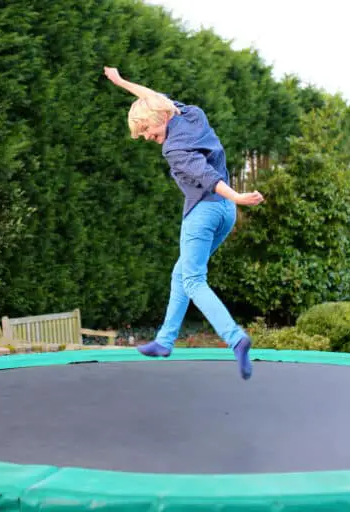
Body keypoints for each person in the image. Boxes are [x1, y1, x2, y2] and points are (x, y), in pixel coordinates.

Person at [104, 66, 263, 380]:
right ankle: (164, 341)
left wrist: (239, 196)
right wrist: (121, 82)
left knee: (192, 280)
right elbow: (153, 98)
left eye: (146, 130)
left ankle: (235, 338)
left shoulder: (173, 149)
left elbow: (206, 176)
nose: (148, 137)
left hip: (204, 211)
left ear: (160, 118)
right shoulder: (192, 115)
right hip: (224, 214)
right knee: (182, 272)